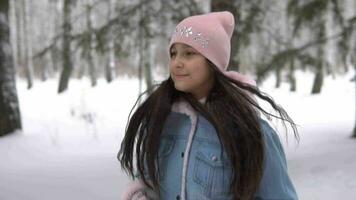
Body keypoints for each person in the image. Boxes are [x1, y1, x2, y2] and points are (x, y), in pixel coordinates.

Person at [118, 11, 299, 200]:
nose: (177, 63)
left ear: (213, 63)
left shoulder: (251, 131)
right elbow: (146, 182)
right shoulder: (161, 121)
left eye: (189, 54)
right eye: (173, 54)